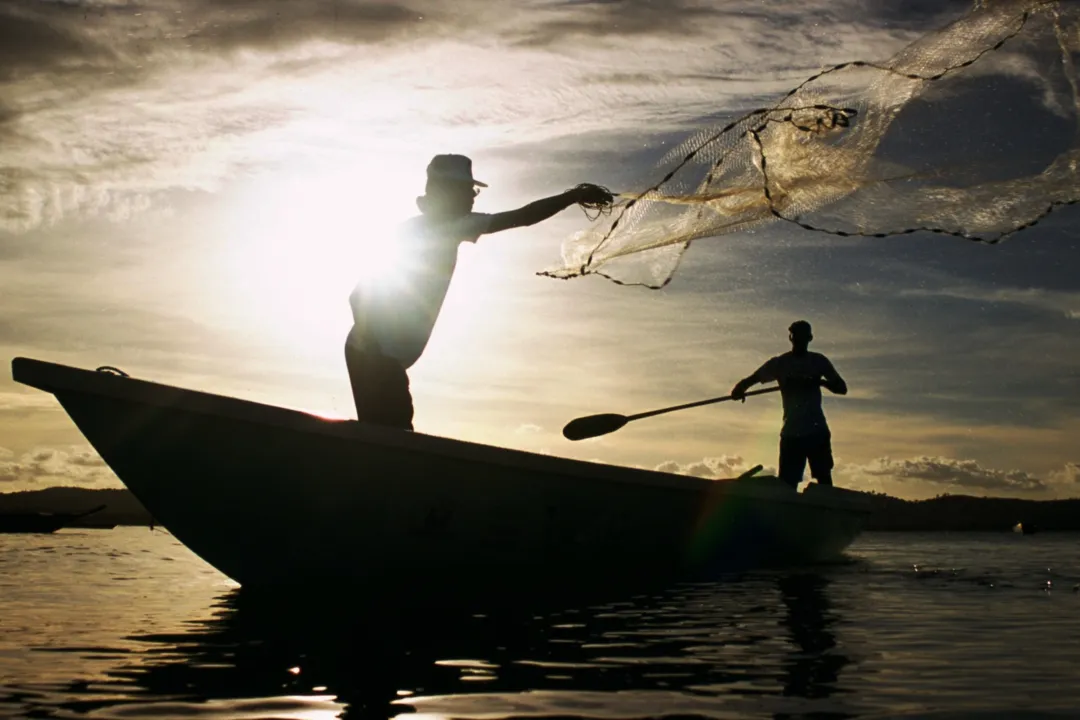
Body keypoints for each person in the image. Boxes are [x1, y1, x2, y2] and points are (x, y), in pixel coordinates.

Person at [346, 153, 613, 430]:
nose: (473, 197)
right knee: (394, 435)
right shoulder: (445, 227)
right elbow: (522, 217)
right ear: (449, 192)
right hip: (373, 354)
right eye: (468, 190)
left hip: (372, 352)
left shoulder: (433, 227)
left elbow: (359, 295)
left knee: (384, 431)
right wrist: (374, 344)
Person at [730, 320, 847, 489]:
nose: (798, 340)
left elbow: (842, 388)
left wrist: (820, 382)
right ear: (790, 338)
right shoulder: (780, 363)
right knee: (787, 486)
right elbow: (751, 379)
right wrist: (739, 389)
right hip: (792, 434)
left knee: (824, 482)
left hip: (816, 431)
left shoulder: (818, 362)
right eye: (795, 336)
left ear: (809, 338)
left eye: (801, 336)